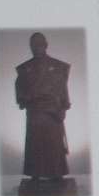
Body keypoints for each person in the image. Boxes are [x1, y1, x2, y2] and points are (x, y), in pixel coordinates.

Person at [14, 31, 72, 184]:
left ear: (46, 45)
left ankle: (57, 173)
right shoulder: (25, 68)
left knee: (54, 144)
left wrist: (63, 108)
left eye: (39, 44)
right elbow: (19, 89)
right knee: (35, 144)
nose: (36, 47)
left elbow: (63, 89)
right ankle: (35, 174)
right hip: (34, 112)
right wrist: (25, 98)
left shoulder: (58, 67)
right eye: (33, 45)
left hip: (53, 112)